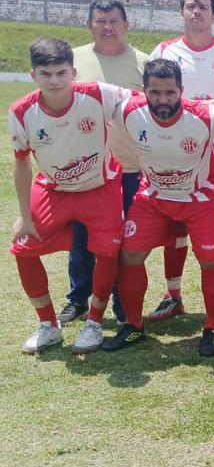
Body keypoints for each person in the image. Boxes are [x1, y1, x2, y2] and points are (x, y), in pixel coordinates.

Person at [99, 58, 214, 357]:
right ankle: (134, 325)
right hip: (154, 197)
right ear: (143, 90)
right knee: (130, 255)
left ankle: (212, 328)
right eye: (155, 92)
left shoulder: (206, 116)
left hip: (200, 198)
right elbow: (84, 92)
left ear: (181, 91)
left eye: (170, 93)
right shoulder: (129, 111)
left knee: (210, 260)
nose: (162, 100)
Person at [9, 38, 124, 353]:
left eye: (61, 72)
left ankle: (95, 323)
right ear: (34, 75)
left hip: (100, 188)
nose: (55, 81)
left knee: (108, 252)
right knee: (23, 247)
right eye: (46, 74)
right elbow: (21, 166)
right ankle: (48, 325)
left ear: (73, 72)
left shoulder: (99, 94)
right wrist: (25, 214)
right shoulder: (21, 112)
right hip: (54, 189)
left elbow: (144, 105)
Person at [146, 0, 214, 319]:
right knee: (175, 224)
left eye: (203, 6)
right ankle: (173, 295)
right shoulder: (164, 50)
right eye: (190, 6)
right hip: (175, 147)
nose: (196, 11)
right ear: (182, 12)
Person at [59, 0, 147, 328]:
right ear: (89, 24)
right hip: (85, 171)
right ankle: (78, 299)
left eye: (114, 21)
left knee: (126, 241)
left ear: (126, 25)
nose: (107, 27)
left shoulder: (143, 62)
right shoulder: (73, 61)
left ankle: (122, 299)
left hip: (130, 168)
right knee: (82, 240)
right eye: (100, 21)